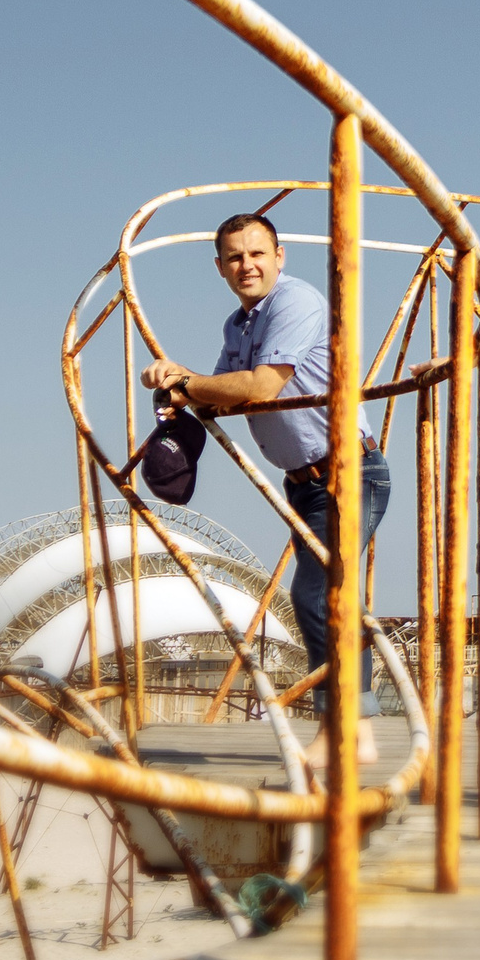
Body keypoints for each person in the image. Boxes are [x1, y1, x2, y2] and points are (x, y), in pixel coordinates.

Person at [143, 211, 387, 766]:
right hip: (306, 482)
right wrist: (176, 384)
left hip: (349, 471)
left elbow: (257, 386)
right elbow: (217, 394)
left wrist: (188, 381)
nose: (246, 264)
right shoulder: (239, 325)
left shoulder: (294, 303)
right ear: (220, 268)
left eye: (257, 253)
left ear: (280, 257)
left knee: (319, 594)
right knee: (334, 597)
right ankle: (361, 733)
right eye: (234, 257)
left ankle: (342, 732)